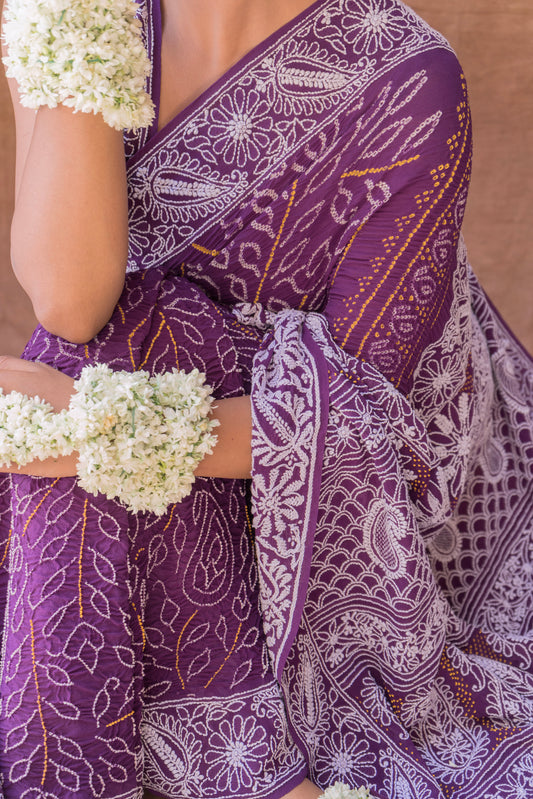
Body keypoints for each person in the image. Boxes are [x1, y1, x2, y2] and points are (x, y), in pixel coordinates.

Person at [1, 1, 532, 798]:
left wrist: (86, 428)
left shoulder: (408, 84)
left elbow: (367, 424)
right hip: (132, 470)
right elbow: (72, 299)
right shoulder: (80, 17)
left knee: (148, 341)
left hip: (312, 514)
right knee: (125, 331)